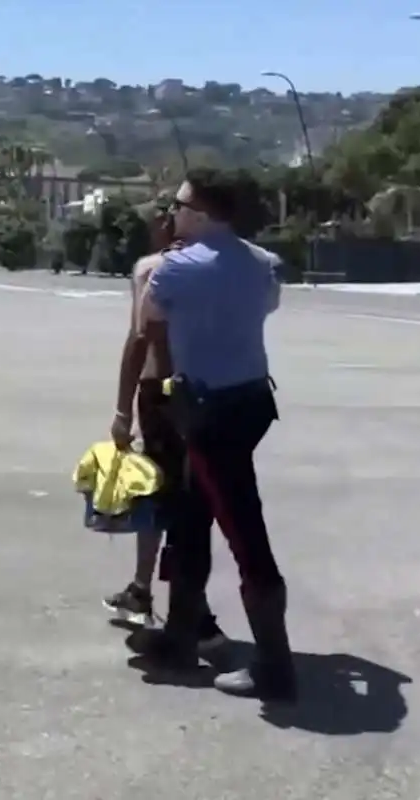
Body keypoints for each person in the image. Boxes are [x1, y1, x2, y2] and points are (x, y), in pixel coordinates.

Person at [131, 168, 296, 703]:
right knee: (193, 513)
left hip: (208, 413)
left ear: (200, 215)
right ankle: (181, 634)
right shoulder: (262, 264)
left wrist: (167, 260)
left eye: (179, 206)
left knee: (243, 532)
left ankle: (274, 665)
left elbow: (147, 317)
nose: (172, 213)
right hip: (250, 404)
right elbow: (268, 303)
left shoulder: (177, 269)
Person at [105, 202, 227, 652]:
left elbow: (139, 340)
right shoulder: (220, 267)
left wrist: (122, 410)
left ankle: (195, 612)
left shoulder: (151, 269)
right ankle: (143, 587)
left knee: (163, 497)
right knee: (191, 498)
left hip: (162, 393)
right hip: (214, 392)